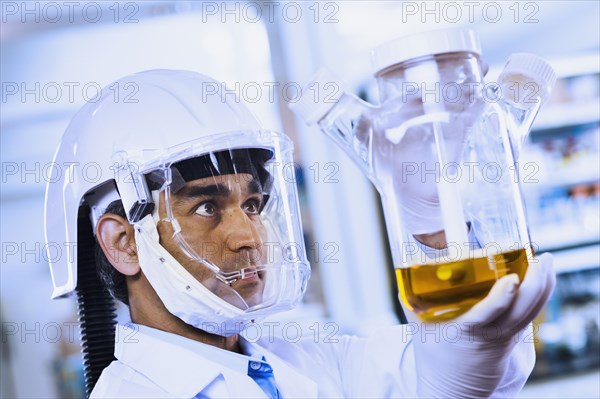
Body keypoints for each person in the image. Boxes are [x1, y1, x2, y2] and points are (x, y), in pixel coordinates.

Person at [44, 69, 555, 398]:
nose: (249, 236)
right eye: (206, 206)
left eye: (252, 203)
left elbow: (446, 373)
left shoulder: (302, 360)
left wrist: (431, 216)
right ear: (123, 242)